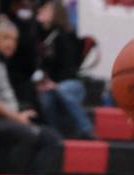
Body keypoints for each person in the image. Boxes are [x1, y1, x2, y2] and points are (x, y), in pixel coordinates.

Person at [0, 16, 62, 175]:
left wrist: (19, 116)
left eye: (14, 40)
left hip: (0, 120)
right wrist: (17, 117)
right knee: (28, 134)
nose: (11, 44)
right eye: (5, 38)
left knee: (51, 137)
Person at [34, 0, 96, 139]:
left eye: (45, 9)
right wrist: (45, 82)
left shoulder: (66, 36)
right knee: (45, 97)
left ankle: (86, 129)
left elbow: (70, 68)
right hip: (50, 84)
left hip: (72, 83)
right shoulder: (37, 36)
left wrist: (54, 84)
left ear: (56, 13)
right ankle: (56, 134)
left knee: (62, 90)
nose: (40, 11)